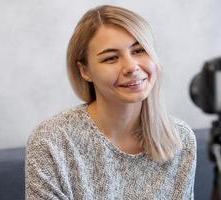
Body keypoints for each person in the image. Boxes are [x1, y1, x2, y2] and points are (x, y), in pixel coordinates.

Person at [25, 5, 196, 199]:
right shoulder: (51, 141)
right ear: (85, 71)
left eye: (139, 50)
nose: (131, 67)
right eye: (111, 58)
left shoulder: (180, 138)